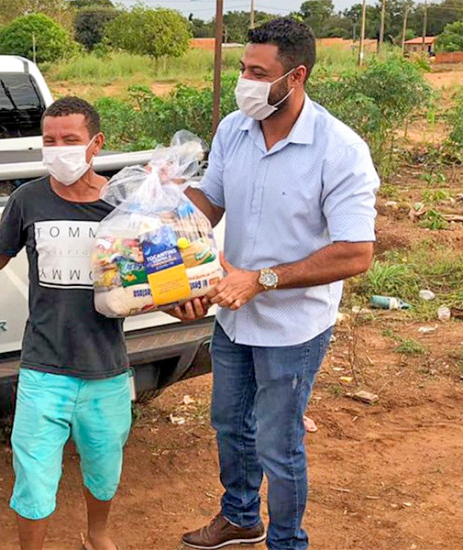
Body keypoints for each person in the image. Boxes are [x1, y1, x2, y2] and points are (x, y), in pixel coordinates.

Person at [169, 19, 379, 550]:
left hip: (293, 324)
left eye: (258, 73)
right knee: (229, 424)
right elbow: (209, 204)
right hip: (233, 316)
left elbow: (356, 252)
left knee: (277, 442)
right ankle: (240, 515)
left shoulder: (339, 150)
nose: (245, 81)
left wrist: (262, 280)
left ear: (297, 76)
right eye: (243, 68)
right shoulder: (233, 129)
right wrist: (163, 214)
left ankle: (287, 540)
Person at [0, 97, 131, 550]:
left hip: (105, 365)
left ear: (96, 144)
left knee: (104, 464)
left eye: (70, 140)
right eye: (49, 140)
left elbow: (154, 270)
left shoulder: (121, 204)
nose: (58, 149)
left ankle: (98, 534)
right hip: (43, 366)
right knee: (33, 472)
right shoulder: (27, 199)